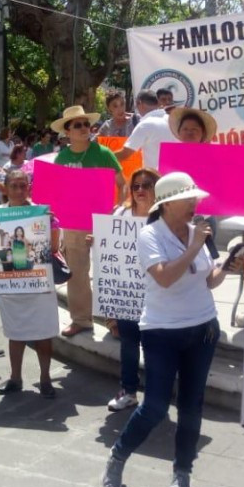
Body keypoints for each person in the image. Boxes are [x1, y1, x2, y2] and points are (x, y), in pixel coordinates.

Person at [102, 172, 237, 487]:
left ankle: (182, 473)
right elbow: (164, 278)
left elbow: (208, 281)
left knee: (192, 406)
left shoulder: (198, 233)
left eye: (195, 198)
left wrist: (232, 265)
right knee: (155, 406)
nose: (195, 204)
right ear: (167, 203)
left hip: (203, 329)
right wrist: (193, 247)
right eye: (188, 198)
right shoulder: (150, 235)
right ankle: (118, 457)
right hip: (162, 331)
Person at [50, 105, 125, 337]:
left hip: (104, 220)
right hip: (73, 224)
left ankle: (115, 321)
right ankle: (81, 319)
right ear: (67, 132)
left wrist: (118, 209)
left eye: (86, 124)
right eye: (78, 125)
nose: (84, 128)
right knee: (78, 273)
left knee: (110, 271)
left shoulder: (104, 153)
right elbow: (55, 193)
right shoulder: (61, 158)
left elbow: (121, 184)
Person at [98, 167, 160, 412]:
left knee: (154, 346)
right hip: (126, 293)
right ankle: (129, 390)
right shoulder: (120, 214)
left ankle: (156, 394)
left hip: (156, 293)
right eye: (136, 186)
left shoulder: (163, 218)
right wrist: (98, 242)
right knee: (129, 344)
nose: (141, 190)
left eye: (147, 185)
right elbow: (109, 254)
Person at [0, 169, 59, 398]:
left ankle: (45, 378)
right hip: (11, 284)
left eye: (23, 186)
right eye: (14, 186)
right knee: (15, 332)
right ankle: (15, 377)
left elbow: (53, 248)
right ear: (6, 188)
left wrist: (51, 225)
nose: (19, 190)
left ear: (29, 188)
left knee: (43, 332)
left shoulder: (41, 213)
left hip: (38, 283)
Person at [115, 90, 174, 171]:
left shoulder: (145, 125)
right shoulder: (173, 120)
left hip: (156, 178)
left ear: (139, 103)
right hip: (179, 177)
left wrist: (102, 158)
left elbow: (125, 154)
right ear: (157, 103)